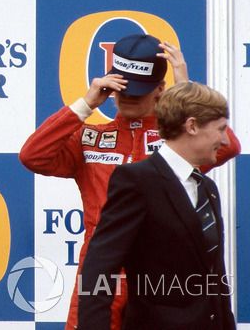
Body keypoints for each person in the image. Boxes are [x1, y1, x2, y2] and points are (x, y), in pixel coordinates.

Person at [19, 33, 240, 330]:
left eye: (139, 91)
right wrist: (86, 104)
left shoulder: (178, 140)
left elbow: (227, 147)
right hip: (100, 273)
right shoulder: (91, 137)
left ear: (161, 90)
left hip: (159, 280)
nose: (127, 98)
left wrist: (186, 91)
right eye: (122, 89)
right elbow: (34, 156)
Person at [78, 81, 236, 329]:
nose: (226, 140)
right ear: (192, 126)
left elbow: (215, 278)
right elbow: (99, 269)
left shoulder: (208, 188)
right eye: (221, 129)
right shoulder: (136, 181)